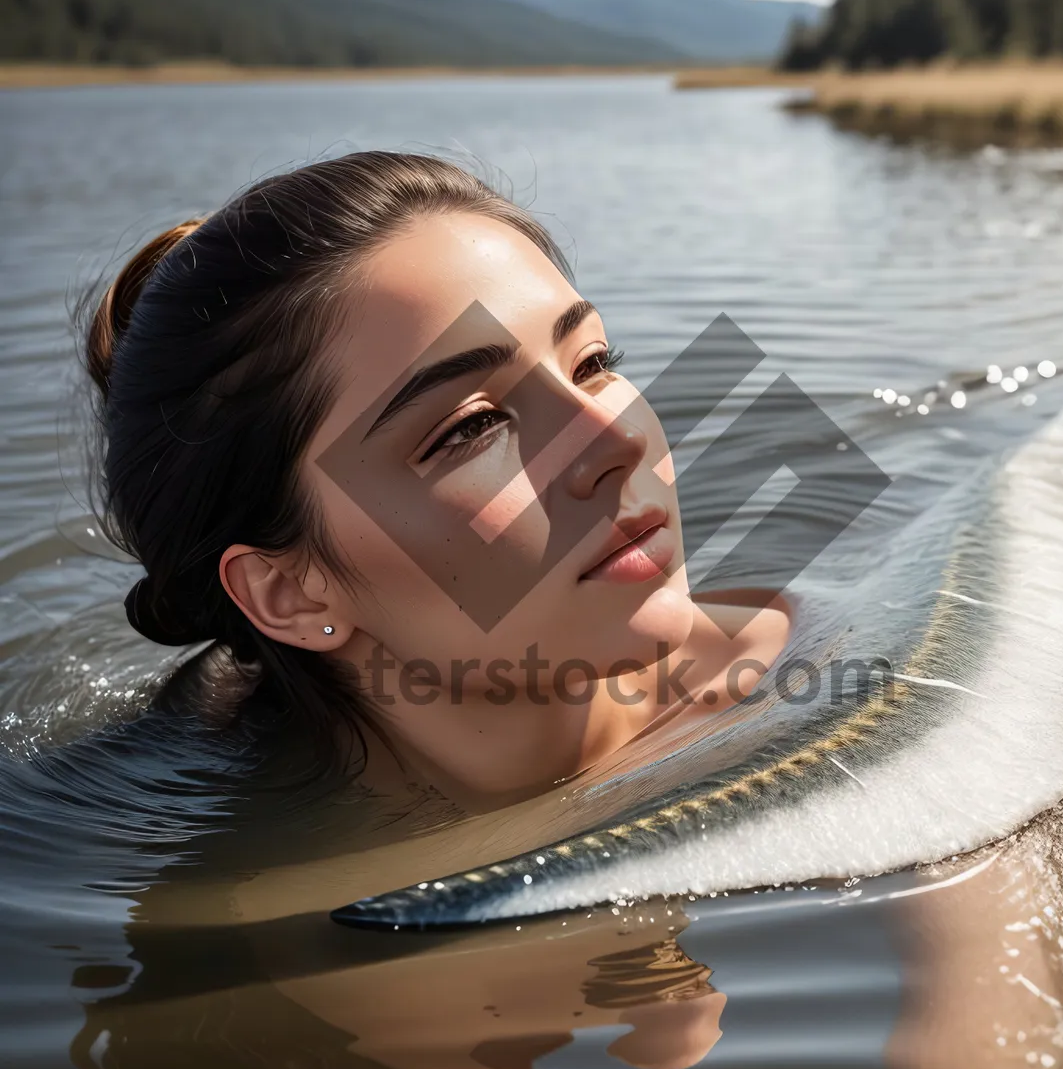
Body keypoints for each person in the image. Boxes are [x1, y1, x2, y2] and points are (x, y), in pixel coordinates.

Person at [85, 151, 792, 813]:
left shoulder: (838, 705)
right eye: (472, 427)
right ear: (290, 592)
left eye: (592, 363)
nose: (622, 440)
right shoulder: (234, 900)